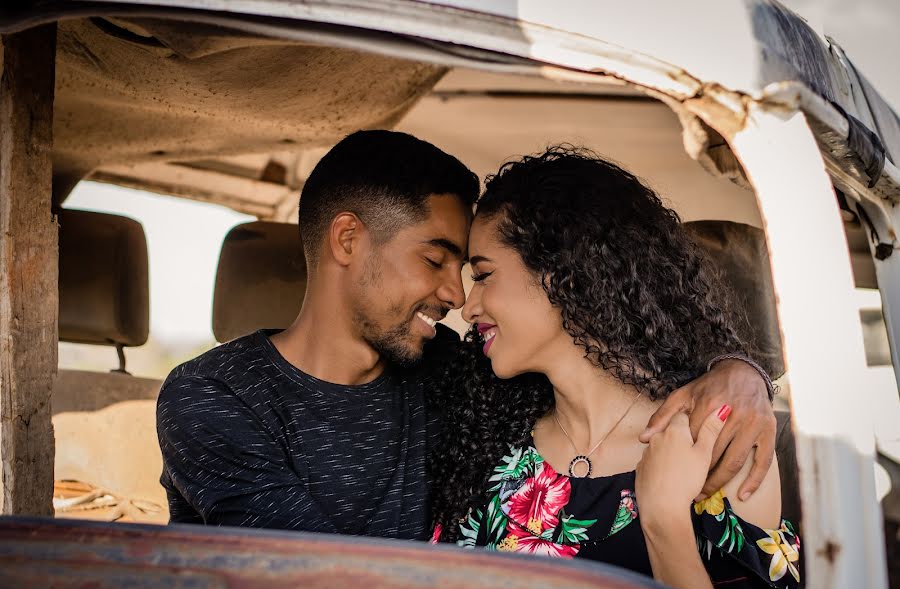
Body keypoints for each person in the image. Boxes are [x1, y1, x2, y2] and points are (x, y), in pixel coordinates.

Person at [157, 130, 777, 542]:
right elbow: (314, 580)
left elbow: (597, 359)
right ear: (347, 240)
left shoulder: (463, 376)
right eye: (437, 260)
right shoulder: (213, 395)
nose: (457, 297)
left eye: (473, 272)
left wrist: (738, 371)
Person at [428, 147, 800, 589]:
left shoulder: (717, 447)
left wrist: (664, 522)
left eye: (483, 275)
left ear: (563, 273)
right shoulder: (480, 431)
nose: (469, 307)